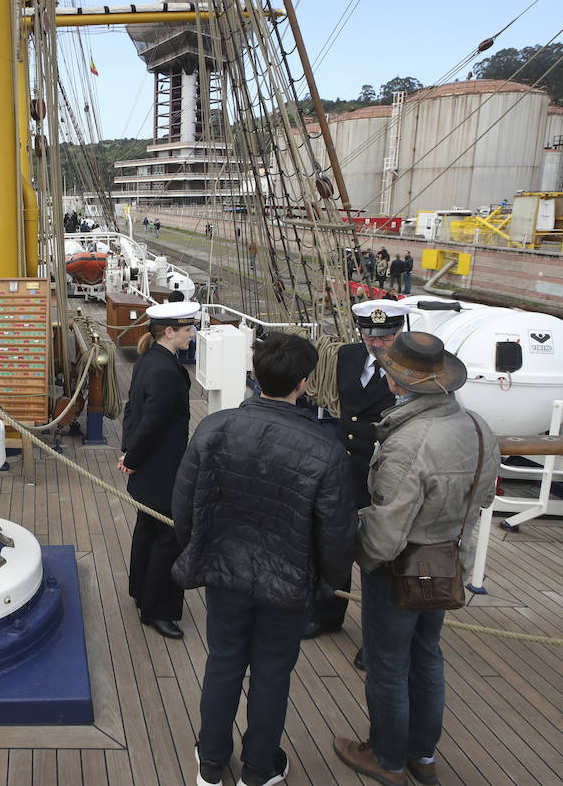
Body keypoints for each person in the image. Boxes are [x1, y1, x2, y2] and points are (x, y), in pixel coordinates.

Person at [173, 333, 357, 786]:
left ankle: (212, 763)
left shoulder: (214, 429)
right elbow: (336, 533)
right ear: (303, 383)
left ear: (255, 375)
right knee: (273, 673)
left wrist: (202, 550)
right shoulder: (325, 451)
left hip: (225, 573)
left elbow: (183, 506)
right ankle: (259, 769)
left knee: (223, 662)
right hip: (289, 582)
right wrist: (328, 585)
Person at [332, 332, 499, 786]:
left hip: (399, 569)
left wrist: (359, 562)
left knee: (387, 664)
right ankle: (422, 756)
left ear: (395, 382)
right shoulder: (480, 428)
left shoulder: (408, 442)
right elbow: (483, 497)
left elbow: (385, 532)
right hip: (448, 562)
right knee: (427, 656)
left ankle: (386, 760)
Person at [305, 299, 407, 644]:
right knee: (334, 545)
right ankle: (328, 615)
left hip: (385, 473)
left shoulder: (410, 370)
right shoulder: (347, 356)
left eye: (386, 338)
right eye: (369, 336)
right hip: (345, 468)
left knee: (380, 559)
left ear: (400, 333)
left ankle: (377, 639)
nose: (376, 344)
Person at [118, 300, 197, 640]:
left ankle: (140, 591)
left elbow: (131, 411)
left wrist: (129, 453)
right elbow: (150, 423)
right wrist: (132, 458)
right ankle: (158, 611)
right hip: (163, 470)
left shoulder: (150, 360)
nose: (193, 335)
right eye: (188, 329)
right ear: (169, 332)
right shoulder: (165, 371)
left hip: (148, 468)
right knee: (169, 537)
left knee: (148, 529)